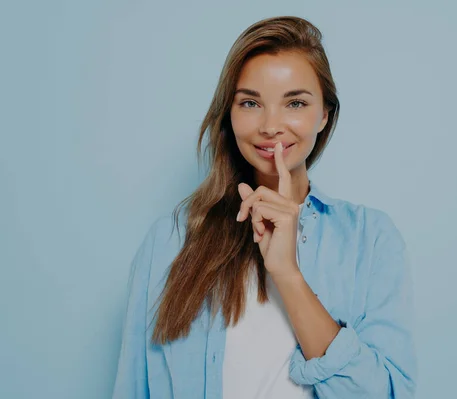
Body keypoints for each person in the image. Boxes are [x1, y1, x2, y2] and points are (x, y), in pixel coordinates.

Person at [111, 15, 417, 399]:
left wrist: (287, 274)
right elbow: (133, 387)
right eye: (251, 102)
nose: (271, 126)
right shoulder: (169, 242)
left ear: (324, 114)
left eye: (295, 102)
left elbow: (387, 394)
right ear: (230, 114)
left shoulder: (369, 240)